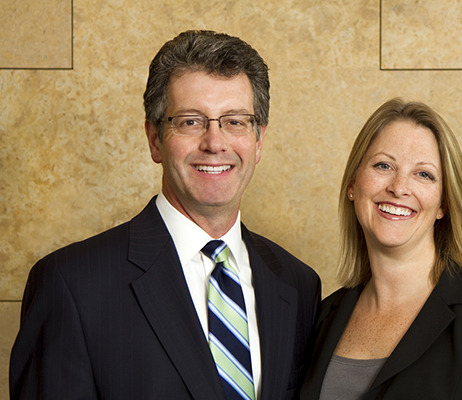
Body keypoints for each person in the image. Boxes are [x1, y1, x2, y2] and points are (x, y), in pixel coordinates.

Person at [10, 30, 321, 400]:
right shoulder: (72, 285)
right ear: (155, 139)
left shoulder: (298, 285)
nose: (215, 142)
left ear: (258, 141)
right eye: (190, 121)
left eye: (235, 121)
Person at [299, 98, 462, 399]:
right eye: (383, 165)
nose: (399, 187)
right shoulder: (321, 317)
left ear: (443, 203)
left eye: (423, 174)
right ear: (352, 185)